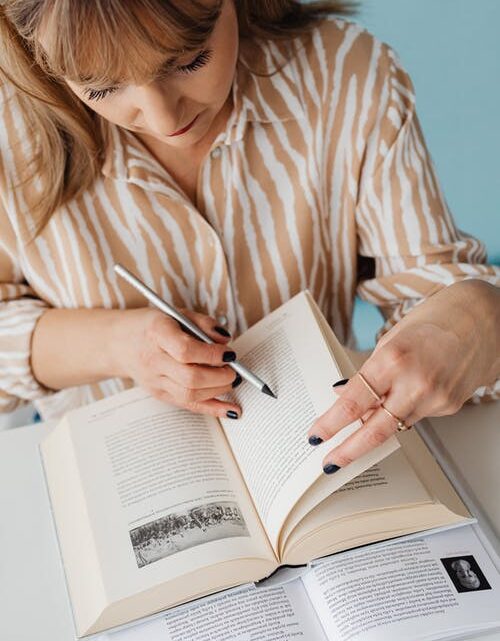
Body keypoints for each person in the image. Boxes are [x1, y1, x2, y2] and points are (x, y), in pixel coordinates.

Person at [0, 1, 498, 475]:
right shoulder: (8, 132)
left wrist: (478, 315)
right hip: (117, 496)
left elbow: (435, 303)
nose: (164, 119)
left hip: (320, 479)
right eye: (102, 87)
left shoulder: (344, 74)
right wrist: (121, 345)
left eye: (190, 59)